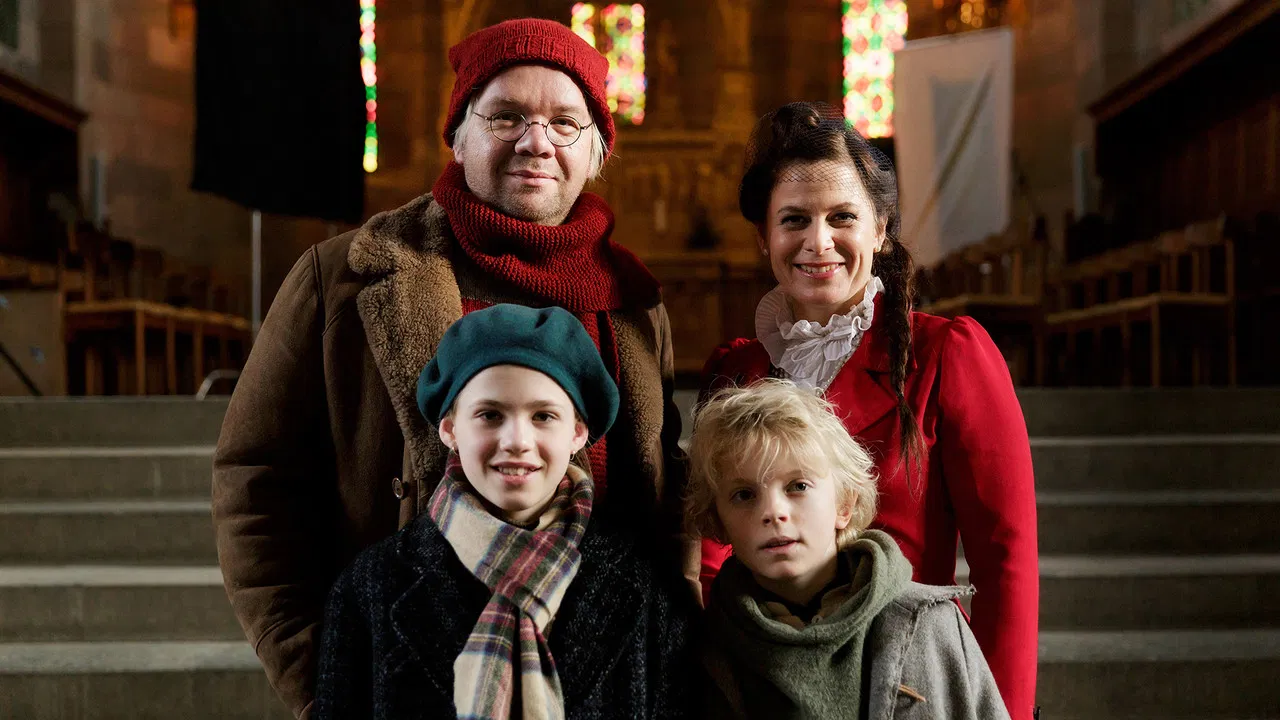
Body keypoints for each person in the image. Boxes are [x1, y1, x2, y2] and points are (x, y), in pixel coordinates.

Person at [212, 18, 688, 718]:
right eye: (505, 116)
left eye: (565, 122)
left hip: (604, 684)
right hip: (405, 682)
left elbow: (668, 499)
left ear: (596, 151)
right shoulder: (343, 278)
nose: (536, 142)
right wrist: (326, 679)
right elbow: (256, 480)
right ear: (459, 136)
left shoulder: (633, 302)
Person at [699, 102, 1038, 719]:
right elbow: (712, 550)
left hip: (904, 676)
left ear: (880, 229)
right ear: (764, 237)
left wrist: (998, 711)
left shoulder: (948, 353)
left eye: (843, 217)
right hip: (764, 679)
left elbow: (1005, 557)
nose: (817, 241)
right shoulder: (738, 369)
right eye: (793, 219)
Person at [313, 305, 695, 719]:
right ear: (450, 428)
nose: (516, 440)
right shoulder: (372, 587)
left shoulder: (645, 587)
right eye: (490, 415)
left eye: (543, 416)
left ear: (578, 432)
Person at [686, 379, 1009, 719]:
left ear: (844, 504)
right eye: (744, 494)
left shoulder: (930, 625)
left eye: (798, 486)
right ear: (718, 520)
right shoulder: (707, 650)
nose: (772, 512)